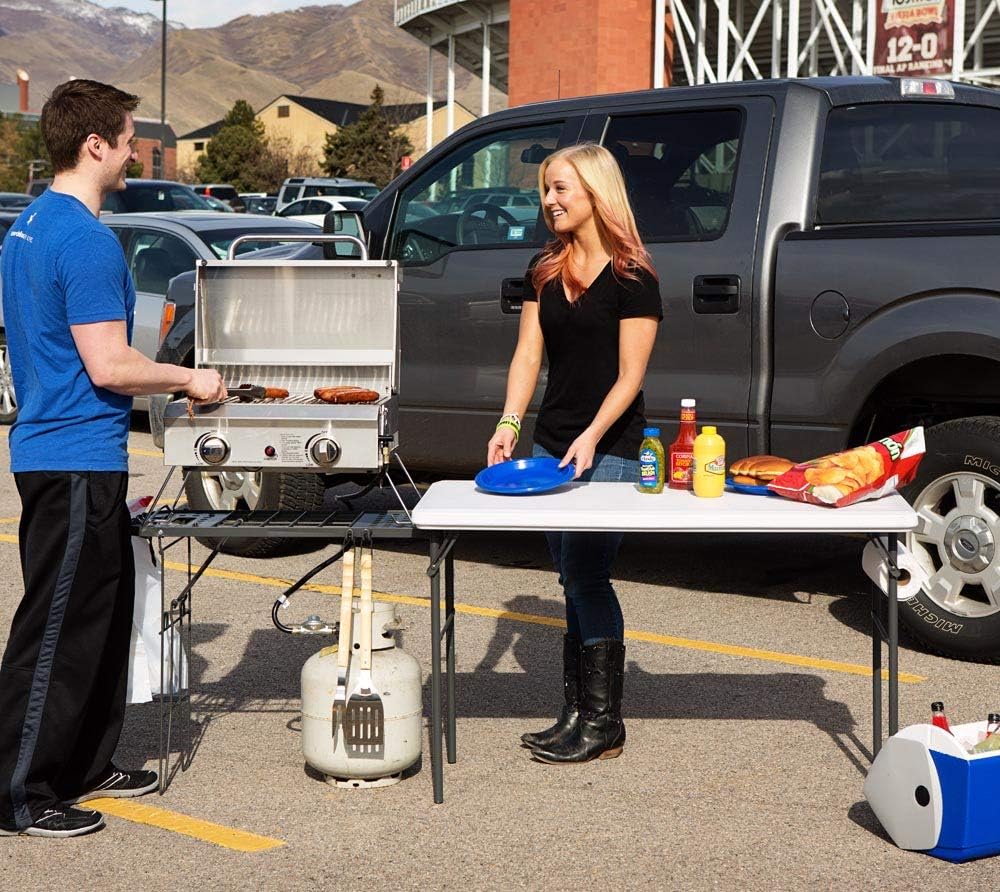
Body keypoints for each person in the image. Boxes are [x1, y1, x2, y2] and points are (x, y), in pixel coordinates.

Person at [0, 79, 227, 838]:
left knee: (99, 617)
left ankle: (85, 763)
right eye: (128, 139)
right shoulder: (87, 238)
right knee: (58, 629)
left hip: (58, 450)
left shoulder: (29, 225)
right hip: (72, 456)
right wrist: (190, 378)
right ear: (94, 145)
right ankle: (20, 792)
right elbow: (110, 366)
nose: (134, 151)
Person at [486, 143, 662, 764]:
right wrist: (510, 422)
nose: (550, 200)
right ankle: (575, 712)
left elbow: (629, 378)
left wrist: (591, 436)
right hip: (550, 447)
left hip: (609, 448)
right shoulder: (545, 270)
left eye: (561, 189)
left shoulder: (633, 277)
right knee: (569, 578)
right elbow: (528, 357)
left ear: (595, 193)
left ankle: (603, 722)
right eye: (546, 190)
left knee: (587, 574)